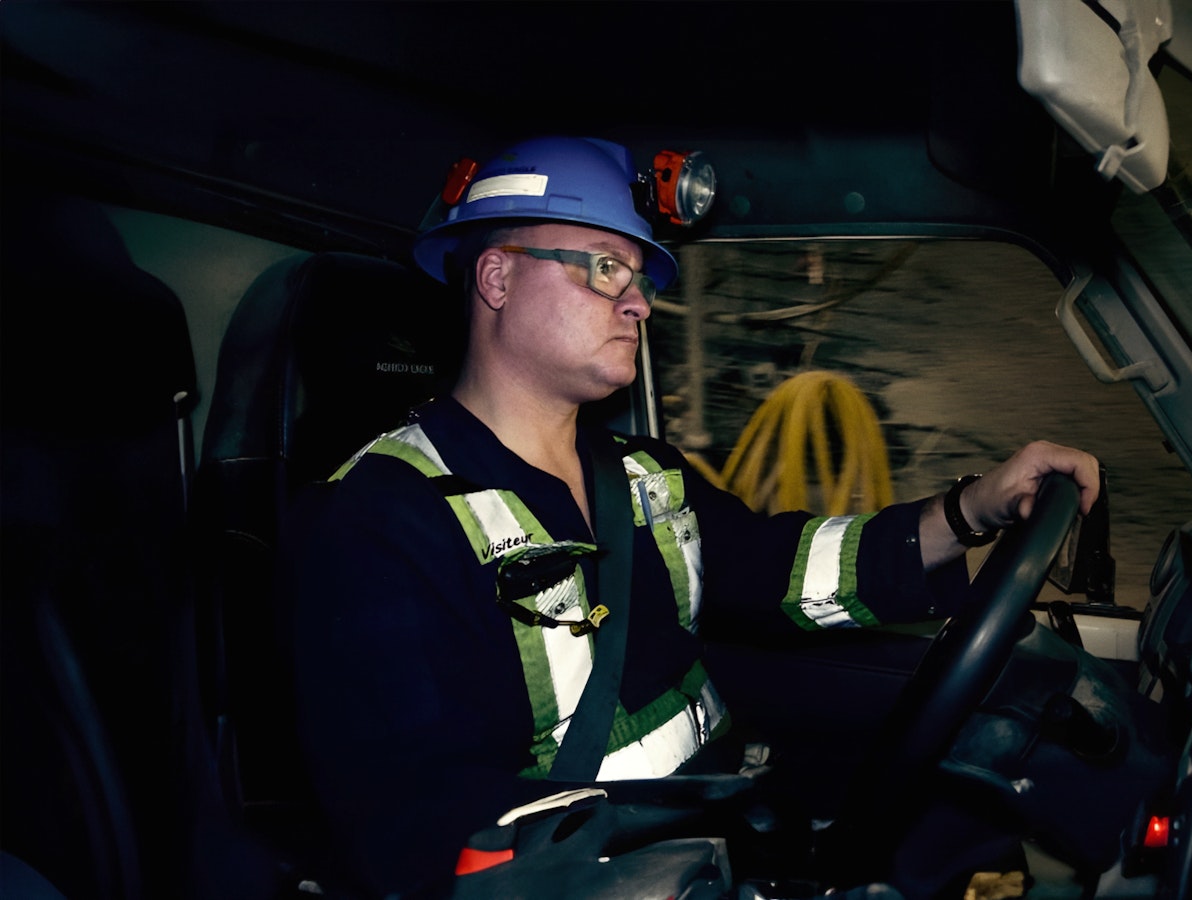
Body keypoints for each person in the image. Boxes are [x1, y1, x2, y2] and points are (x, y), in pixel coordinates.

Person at [285, 136, 1101, 899]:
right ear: (498, 281)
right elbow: (424, 827)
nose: (639, 302)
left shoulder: (644, 476)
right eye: (606, 268)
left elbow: (786, 568)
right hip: (611, 876)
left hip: (719, 822)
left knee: (968, 814)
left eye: (638, 276)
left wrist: (971, 508)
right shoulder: (385, 521)